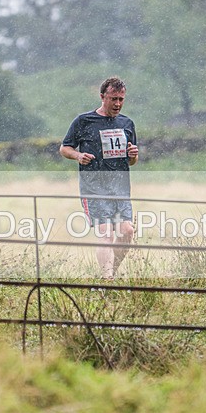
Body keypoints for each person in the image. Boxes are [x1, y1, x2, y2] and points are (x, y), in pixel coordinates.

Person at [60, 76, 139, 279]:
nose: (117, 104)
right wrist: (78, 156)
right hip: (94, 188)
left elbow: (132, 162)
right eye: (113, 99)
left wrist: (133, 155)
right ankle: (107, 279)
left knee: (127, 231)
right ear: (102, 97)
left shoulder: (127, 123)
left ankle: (111, 272)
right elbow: (65, 148)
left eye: (121, 99)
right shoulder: (84, 121)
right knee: (106, 233)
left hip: (120, 189)